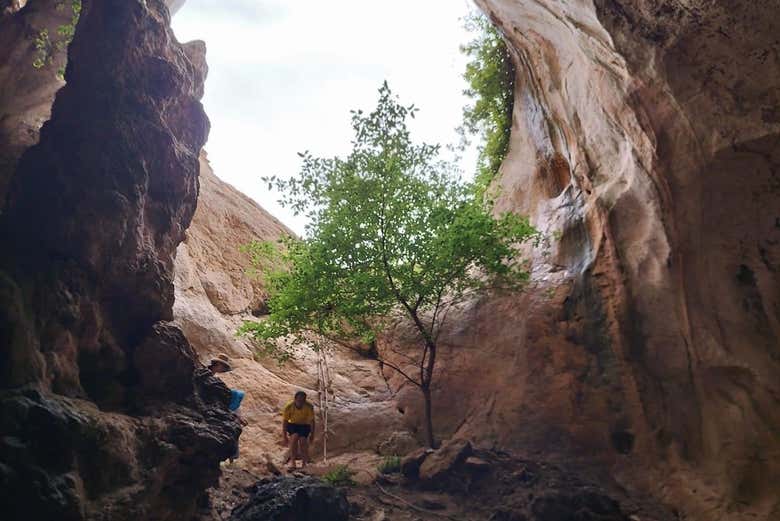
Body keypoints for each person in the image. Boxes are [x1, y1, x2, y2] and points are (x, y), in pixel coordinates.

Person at [208, 354, 247, 463]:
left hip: (214, 408)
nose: (223, 369)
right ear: (218, 364)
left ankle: (231, 460)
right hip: (210, 409)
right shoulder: (207, 376)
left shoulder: (212, 377)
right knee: (232, 428)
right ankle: (229, 459)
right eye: (223, 366)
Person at [281, 391, 315, 471]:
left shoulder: (309, 406)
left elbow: (312, 421)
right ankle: (293, 462)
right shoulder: (289, 406)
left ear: (305, 400)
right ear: (295, 399)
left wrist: (312, 434)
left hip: (304, 425)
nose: (301, 402)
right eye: (299, 400)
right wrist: (284, 436)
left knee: (303, 441)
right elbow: (285, 422)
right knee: (294, 438)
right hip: (293, 424)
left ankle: (304, 463)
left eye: (303, 400)